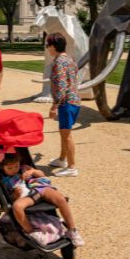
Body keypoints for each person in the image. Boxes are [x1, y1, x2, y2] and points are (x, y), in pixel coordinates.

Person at [0, 153, 84, 246]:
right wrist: (14, 195)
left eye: (16, 166)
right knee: (17, 206)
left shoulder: (24, 168)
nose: (14, 170)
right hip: (27, 196)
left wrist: (32, 172)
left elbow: (42, 175)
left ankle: (72, 230)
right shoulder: (5, 180)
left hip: (39, 188)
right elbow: (9, 198)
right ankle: (32, 233)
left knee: (61, 199)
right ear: (2, 167)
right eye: (10, 168)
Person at [46, 33, 81, 177]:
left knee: (67, 135)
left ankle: (72, 167)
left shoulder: (59, 62)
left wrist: (54, 106)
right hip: (74, 100)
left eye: (48, 45)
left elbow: (61, 86)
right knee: (64, 132)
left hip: (66, 102)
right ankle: (62, 159)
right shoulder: (70, 60)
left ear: (54, 46)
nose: (47, 48)